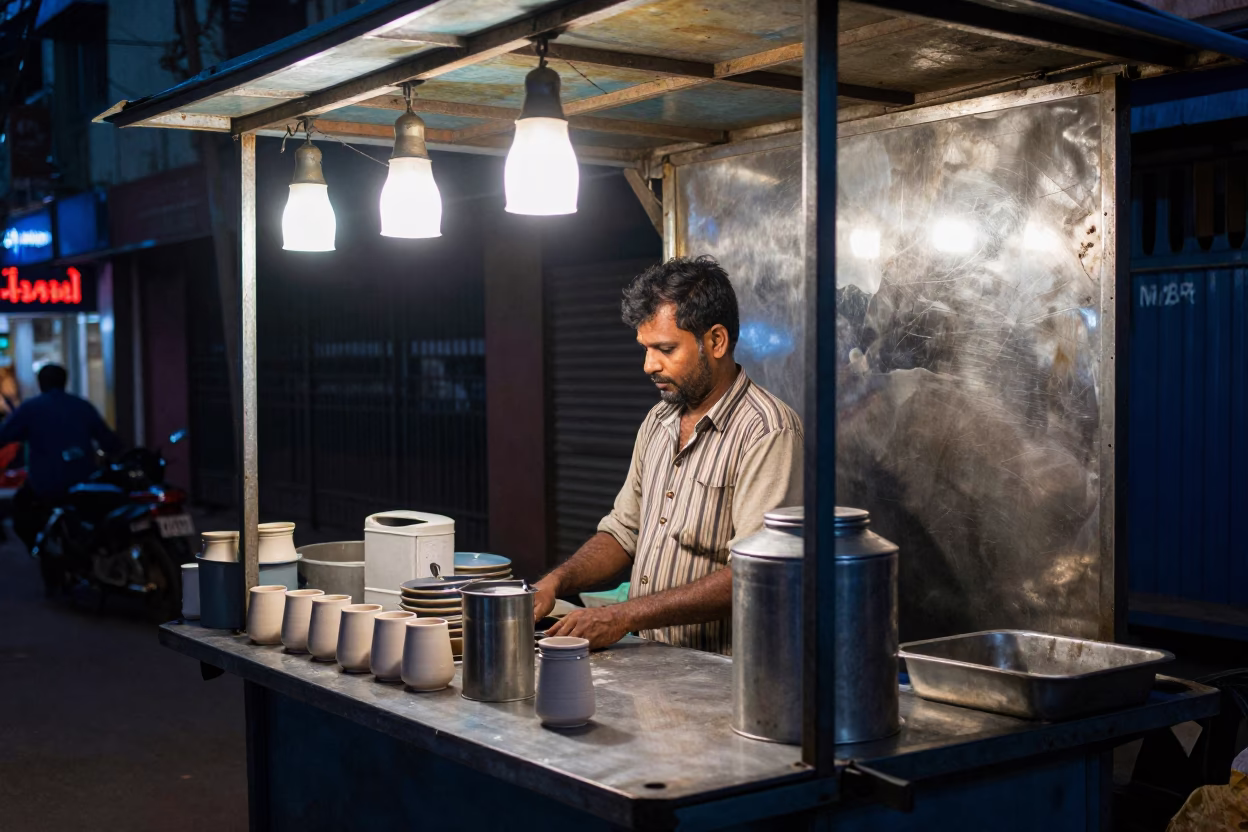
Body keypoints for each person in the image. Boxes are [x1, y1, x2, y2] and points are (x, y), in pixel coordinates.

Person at [537, 256, 803, 654]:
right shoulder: (658, 421)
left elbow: (757, 573)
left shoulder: (767, 431)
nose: (649, 365)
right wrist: (557, 581)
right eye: (645, 349)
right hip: (652, 666)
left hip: (721, 676)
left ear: (716, 341)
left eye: (664, 349)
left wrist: (623, 616)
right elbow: (624, 533)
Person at [0, 364, 121, 549]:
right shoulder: (82, 406)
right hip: (84, 480)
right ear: (65, 382)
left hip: (45, 484)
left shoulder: (31, 409)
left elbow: (5, 435)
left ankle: (39, 551)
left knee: (21, 513)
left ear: (40, 384)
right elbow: (110, 442)